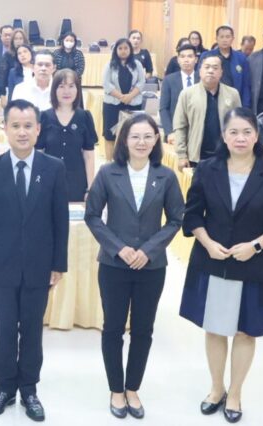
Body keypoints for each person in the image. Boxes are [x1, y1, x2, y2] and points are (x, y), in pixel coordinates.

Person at [180, 108, 263, 424]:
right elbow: (192, 214)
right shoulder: (207, 169)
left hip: (252, 265)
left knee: (245, 331)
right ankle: (216, 388)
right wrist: (207, 243)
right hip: (213, 260)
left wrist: (255, 246)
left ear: (257, 135)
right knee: (215, 328)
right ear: (224, 136)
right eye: (234, 132)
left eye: (247, 132)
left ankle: (235, 393)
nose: (240, 138)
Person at [0, 99, 68, 422]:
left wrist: (58, 264)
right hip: (1, 266)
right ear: (5, 129)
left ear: (38, 129)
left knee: (31, 329)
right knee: (4, 328)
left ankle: (29, 388)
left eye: (28, 126)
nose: (22, 132)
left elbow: (60, 221)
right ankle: (4, 387)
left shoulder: (54, 168)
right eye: (16, 126)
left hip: (39, 266)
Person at [85, 114, 184, 420]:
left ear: (156, 140)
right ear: (124, 140)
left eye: (147, 136)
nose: (141, 142)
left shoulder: (166, 176)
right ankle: (116, 388)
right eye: (135, 136)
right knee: (113, 328)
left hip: (151, 268)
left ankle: (132, 388)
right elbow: (92, 216)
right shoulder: (107, 173)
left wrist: (149, 251)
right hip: (114, 265)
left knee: (143, 329)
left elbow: (177, 219)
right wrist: (119, 248)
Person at [37, 69, 98, 201]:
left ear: (77, 89)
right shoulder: (44, 117)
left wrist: (90, 188)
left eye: (71, 86)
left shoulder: (84, 117)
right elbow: (38, 153)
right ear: (54, 89)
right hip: (49, 181)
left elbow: (89, 156)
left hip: (77, 182)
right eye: (61, 86)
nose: (67, 91)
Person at [172, 55, 242, 170]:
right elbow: (180, 126)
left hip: (225, 156)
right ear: (200, 71)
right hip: (196, 157)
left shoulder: (233, 94)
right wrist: (181, 155)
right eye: (207, 67)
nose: (210, 71)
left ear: (221, 72)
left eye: (215, 68)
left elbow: (239, 126)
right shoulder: (187, 94)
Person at [102, 39, 146, 150]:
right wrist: (121, 97)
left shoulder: (137, 64)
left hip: (133, 104)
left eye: (126, 48)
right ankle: (110, 160)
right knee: (110, 136)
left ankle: (127, 159)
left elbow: (141, 82)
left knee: (131, 135)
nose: (123, 51)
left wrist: (130, 96)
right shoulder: (109, 65)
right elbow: (106, 84)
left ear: (130, 50)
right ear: (115, 50)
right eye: (120, 48)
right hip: (112, 105)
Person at [201, 26, 251, 108]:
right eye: (221, 37)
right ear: (216, 38)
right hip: (211, 100)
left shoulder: (241, 58)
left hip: (234, 100)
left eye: (227, 37)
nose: (224, 40)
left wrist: (245, 106)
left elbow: (246, 85)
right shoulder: (207, 56)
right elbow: (200, 79)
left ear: (232, 39)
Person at [161, 43, 200, 143]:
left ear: (196, 59)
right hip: (175, 133)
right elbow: (164, 108)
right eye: (182, 57)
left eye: (190, 56)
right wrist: (169, 132)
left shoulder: (202, 80)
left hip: (198, 133)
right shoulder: (169, 80)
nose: (186, 60)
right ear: (178, 60)